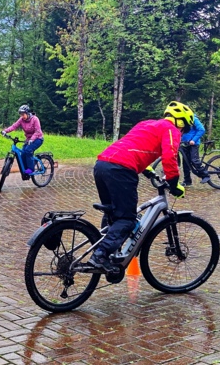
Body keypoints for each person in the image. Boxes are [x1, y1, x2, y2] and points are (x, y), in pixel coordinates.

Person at [86, 101, 190, 273]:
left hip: (102, 164)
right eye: (184, 128)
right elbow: (170, 156)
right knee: (126, 219)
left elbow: (134, 145)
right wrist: (174, 183)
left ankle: (111, 255)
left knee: (112, 212)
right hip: (121, 169)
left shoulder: (147, 123)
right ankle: (100, 256)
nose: (183, 132)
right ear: (180, 123)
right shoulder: (171, 130)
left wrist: (148, 170)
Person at [1, 105, 43, 176]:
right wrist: (5, 131)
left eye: (23, 114)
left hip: (38, 139)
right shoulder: (21, 120)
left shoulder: (35, 119)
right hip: (29, 139)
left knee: (28, 150)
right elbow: (14, 126)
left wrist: (32, 139)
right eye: (20, 114)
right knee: (23, 153)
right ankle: (26, 170)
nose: (22, 116)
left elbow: (38, 131)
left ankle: (30, 169)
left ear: (27, 113)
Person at [179, 107, 211, 185]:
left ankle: (205, 175)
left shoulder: (193, 118)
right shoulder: (182, 120)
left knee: (194, 160)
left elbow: (202, 129)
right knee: (185, 163)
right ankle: (187, 181)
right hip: (185, 143)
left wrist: (193, 140)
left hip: (193, 143)